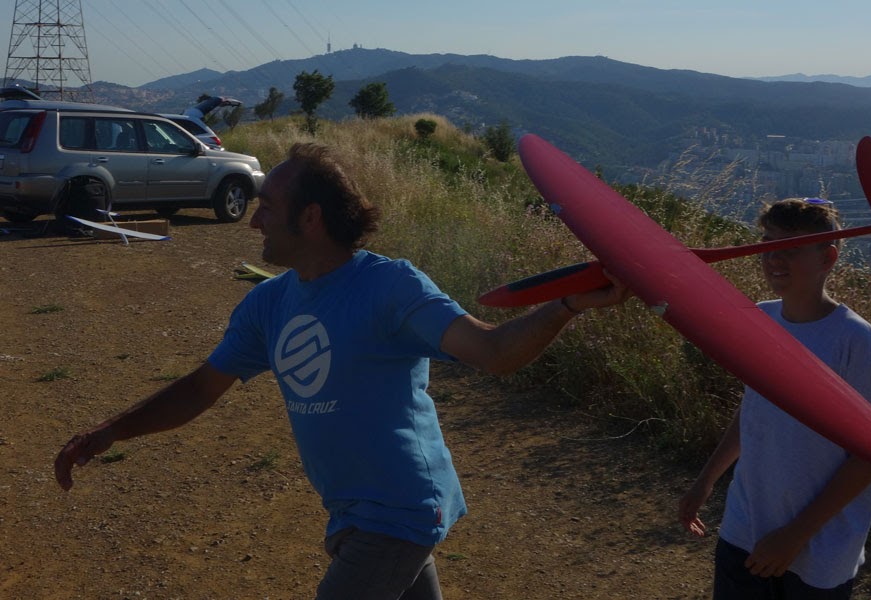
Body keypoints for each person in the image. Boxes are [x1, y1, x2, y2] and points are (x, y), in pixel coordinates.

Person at [55, 142, 629, 600]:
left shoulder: (390, 286)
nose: (254, 222)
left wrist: (568, 304)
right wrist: (113, 430)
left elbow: (493, 351)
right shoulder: (269, 303)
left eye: (267, 207)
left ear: (310, 217)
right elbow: (202, 388)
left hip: (398, 509)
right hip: (352, 511)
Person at [676, 198, 871, 599]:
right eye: (767, 245)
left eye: (791, 248)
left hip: (820, 546)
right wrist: (705, 482)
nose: (774, 259)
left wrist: (795, 534)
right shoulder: (760, 319)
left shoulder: (853, 338)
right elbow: (755, 410)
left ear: (828, 258)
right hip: (745, 525)